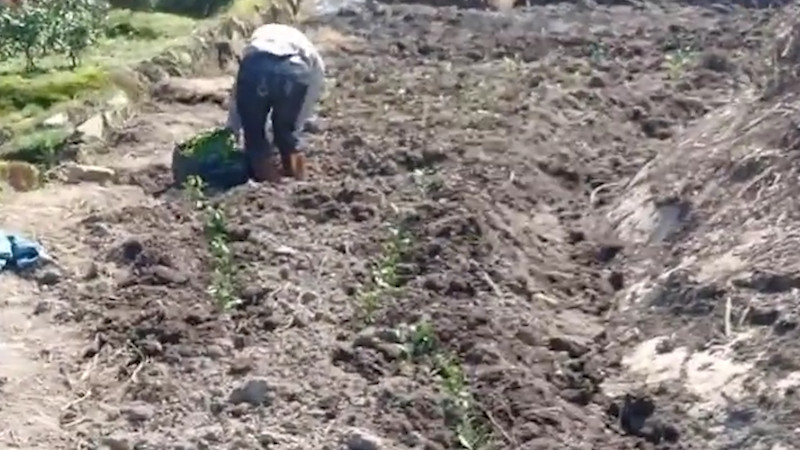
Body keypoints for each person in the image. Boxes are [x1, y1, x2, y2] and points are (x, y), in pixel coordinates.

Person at [225, 23, 325, 182]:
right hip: (294, 70)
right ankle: (299, 180)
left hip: (256, 67)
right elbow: (308, 98)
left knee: (254, 137)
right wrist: (292, 130)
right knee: (286, 135)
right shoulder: (312, 56)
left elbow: (238, 96)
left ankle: (269, 181)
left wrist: (232, 132)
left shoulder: (257, 41)